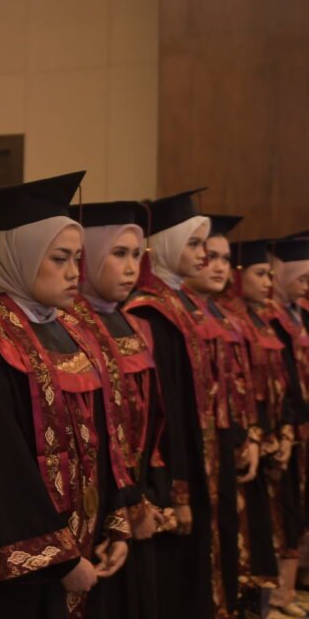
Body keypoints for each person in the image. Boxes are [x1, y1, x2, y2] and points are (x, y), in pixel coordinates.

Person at [0, 172, 133, 619]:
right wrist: (61, 561)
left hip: (89, 542)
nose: (74, 273)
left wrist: (116, 521)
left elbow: (106, 432)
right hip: (30, 569)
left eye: (77, 258)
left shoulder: (78, 333)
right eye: (59, 258)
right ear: (19, 259)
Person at [68, 201, 167, 619]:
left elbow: (154, 415)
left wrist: (147, 495)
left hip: (136, 489)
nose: (130, 268)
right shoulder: (71, 326)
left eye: (136, 255)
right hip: (99, 498)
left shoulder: (134, 324)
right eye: (118, 253)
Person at [123, 190, 218, 619]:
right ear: (166, 245)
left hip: (193, 458)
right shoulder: (150, 313)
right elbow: (166, 411)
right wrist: (178, 491)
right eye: (193, 244)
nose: (203, 255)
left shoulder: (178, 305)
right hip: (170, 466)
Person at [181, 215, 258, 611]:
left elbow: (239, 383)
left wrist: (250, 435)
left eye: (226, 259)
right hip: (196, 449)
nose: (217, 266)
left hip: (225, 441)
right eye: (208, 255)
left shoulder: (221, 315)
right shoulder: (173, 314)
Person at [221, 240, 287, 600]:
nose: (268, 283)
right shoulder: (227, 319)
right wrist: (251, 436)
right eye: (260, 274)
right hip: (236, 438)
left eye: (270, 275)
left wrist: (281, 431)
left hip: (260, 436)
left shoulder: (259, 319)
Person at [267, 237, 309, 614]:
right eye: (303, 277)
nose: (307, 286)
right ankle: (280, 593)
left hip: (301, 425)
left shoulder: (298, 313)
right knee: (284, 508)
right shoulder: (270, 318)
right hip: (286, 423)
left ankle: (294, 586)